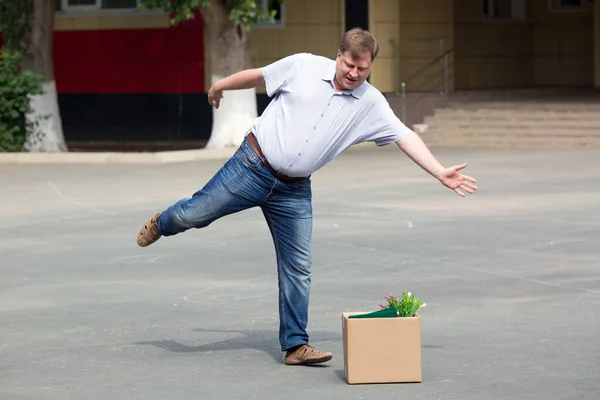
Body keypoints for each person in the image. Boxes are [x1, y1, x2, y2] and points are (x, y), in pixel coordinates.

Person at [136, 28, 477, 366]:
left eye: (362, 70)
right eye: (349, 65)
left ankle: (296, 345)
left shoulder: (371, 103)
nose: (354, 74)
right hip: (251, 166)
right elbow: (258, 76)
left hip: (294, 191)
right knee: (193, 214)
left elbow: (404, 136)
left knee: (298, 266)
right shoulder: (303, 66)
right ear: (338, 55)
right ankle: (162, 222)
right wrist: (220, 85)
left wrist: (439, 171)